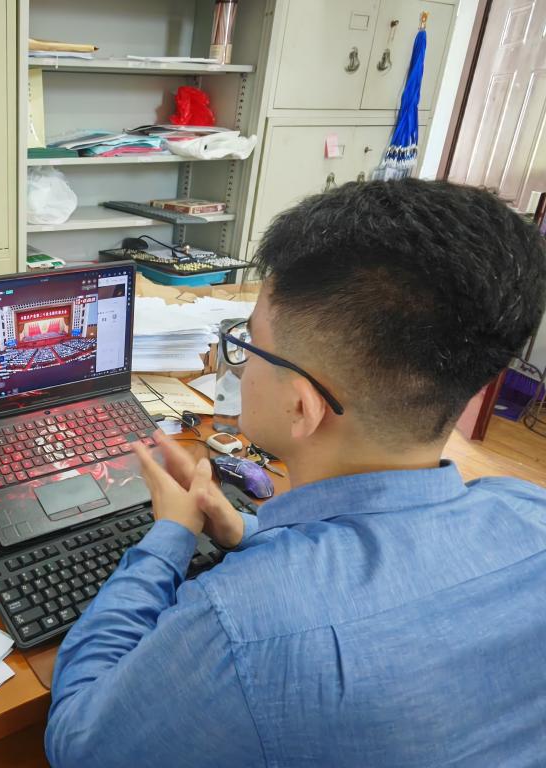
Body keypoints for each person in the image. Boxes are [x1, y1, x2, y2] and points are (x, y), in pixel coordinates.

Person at [45, 180, 546, 767]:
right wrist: (244, 531)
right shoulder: (527, 511)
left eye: (249, 343)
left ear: (302, 405)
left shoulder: (244, 629)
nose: (241, 361)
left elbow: (80, 742)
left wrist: (171, 536)